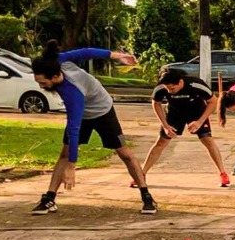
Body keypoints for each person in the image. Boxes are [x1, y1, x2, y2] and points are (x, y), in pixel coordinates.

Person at [30, 42, 156, 215]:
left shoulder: (72, 92)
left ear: (56, 76)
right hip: (84, 112)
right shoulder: (57, 61)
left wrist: (72, 166)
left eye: (43, 83)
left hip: (102, 110)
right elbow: (87, 52)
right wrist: (117, 56)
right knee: (64, 153)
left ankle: (147, 196)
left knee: (124, 153)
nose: (41, 86)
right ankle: (49, 198)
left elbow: (74, 128)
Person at [140, 68, 231, 188]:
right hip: (174, 113)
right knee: (161, 142)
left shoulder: (196, 84)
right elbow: (156, 104)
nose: (170, 92)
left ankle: (222, 173)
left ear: (180, 82)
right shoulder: (161, 87)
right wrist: (165, 125)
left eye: (172, 88)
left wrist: (199, 122)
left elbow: (213, 101)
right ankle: (141, 175)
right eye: (167, 89)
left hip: (196, 111)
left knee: (207, 140)